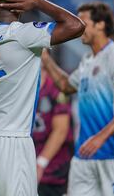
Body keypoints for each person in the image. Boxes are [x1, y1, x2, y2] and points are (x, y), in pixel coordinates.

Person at [0, 0, 85, 196]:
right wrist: (38, 1)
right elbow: (76, 26)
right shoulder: (23, 34)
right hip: (11, 140)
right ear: (21, 5)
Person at [42, 1, 114, 196]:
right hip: (83, 156)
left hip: (113, 154)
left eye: (83, 21)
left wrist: (100, 138)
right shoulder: (87, 61)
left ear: (100, 24)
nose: (79, 27)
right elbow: (67, 86)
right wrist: (44, 58)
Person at [32, 67, 74, 196]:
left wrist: (40, 163)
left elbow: (61, 130)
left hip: (56, 170)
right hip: (29, 164)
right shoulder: (21, 88)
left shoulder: (56, 87)